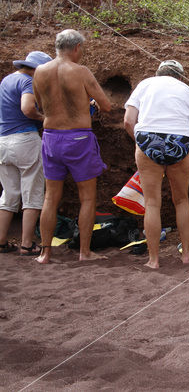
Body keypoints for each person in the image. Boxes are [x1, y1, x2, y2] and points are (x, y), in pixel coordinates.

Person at [32, 29, 112, 264]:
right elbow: (106, 106)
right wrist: (91, 104)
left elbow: (40, 104)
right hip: (77, 137)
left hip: (50, 137)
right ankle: (84, 252)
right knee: (87, 197)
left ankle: (45, 253)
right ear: (76, 47)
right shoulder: (81, 71)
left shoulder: (40, 71)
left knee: (50, 197)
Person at [124, 59, 189, 269]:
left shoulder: (145, 84)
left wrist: (142, 145)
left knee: (152, 203)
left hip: (149, 140)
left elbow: (128, 121)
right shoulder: (188, 91)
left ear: (158, 73)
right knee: (181, 201)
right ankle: (186, 255)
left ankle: (154, 260)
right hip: (180, 141)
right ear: (180, 77)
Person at [0, 51, 52, 256]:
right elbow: (27, 108)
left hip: (3, 140)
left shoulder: (6, 80)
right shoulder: (28, 82)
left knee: (9, 194)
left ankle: (2, 241)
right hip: (25, 139)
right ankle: (27, 244)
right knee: (33, 192)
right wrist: (43, 118)